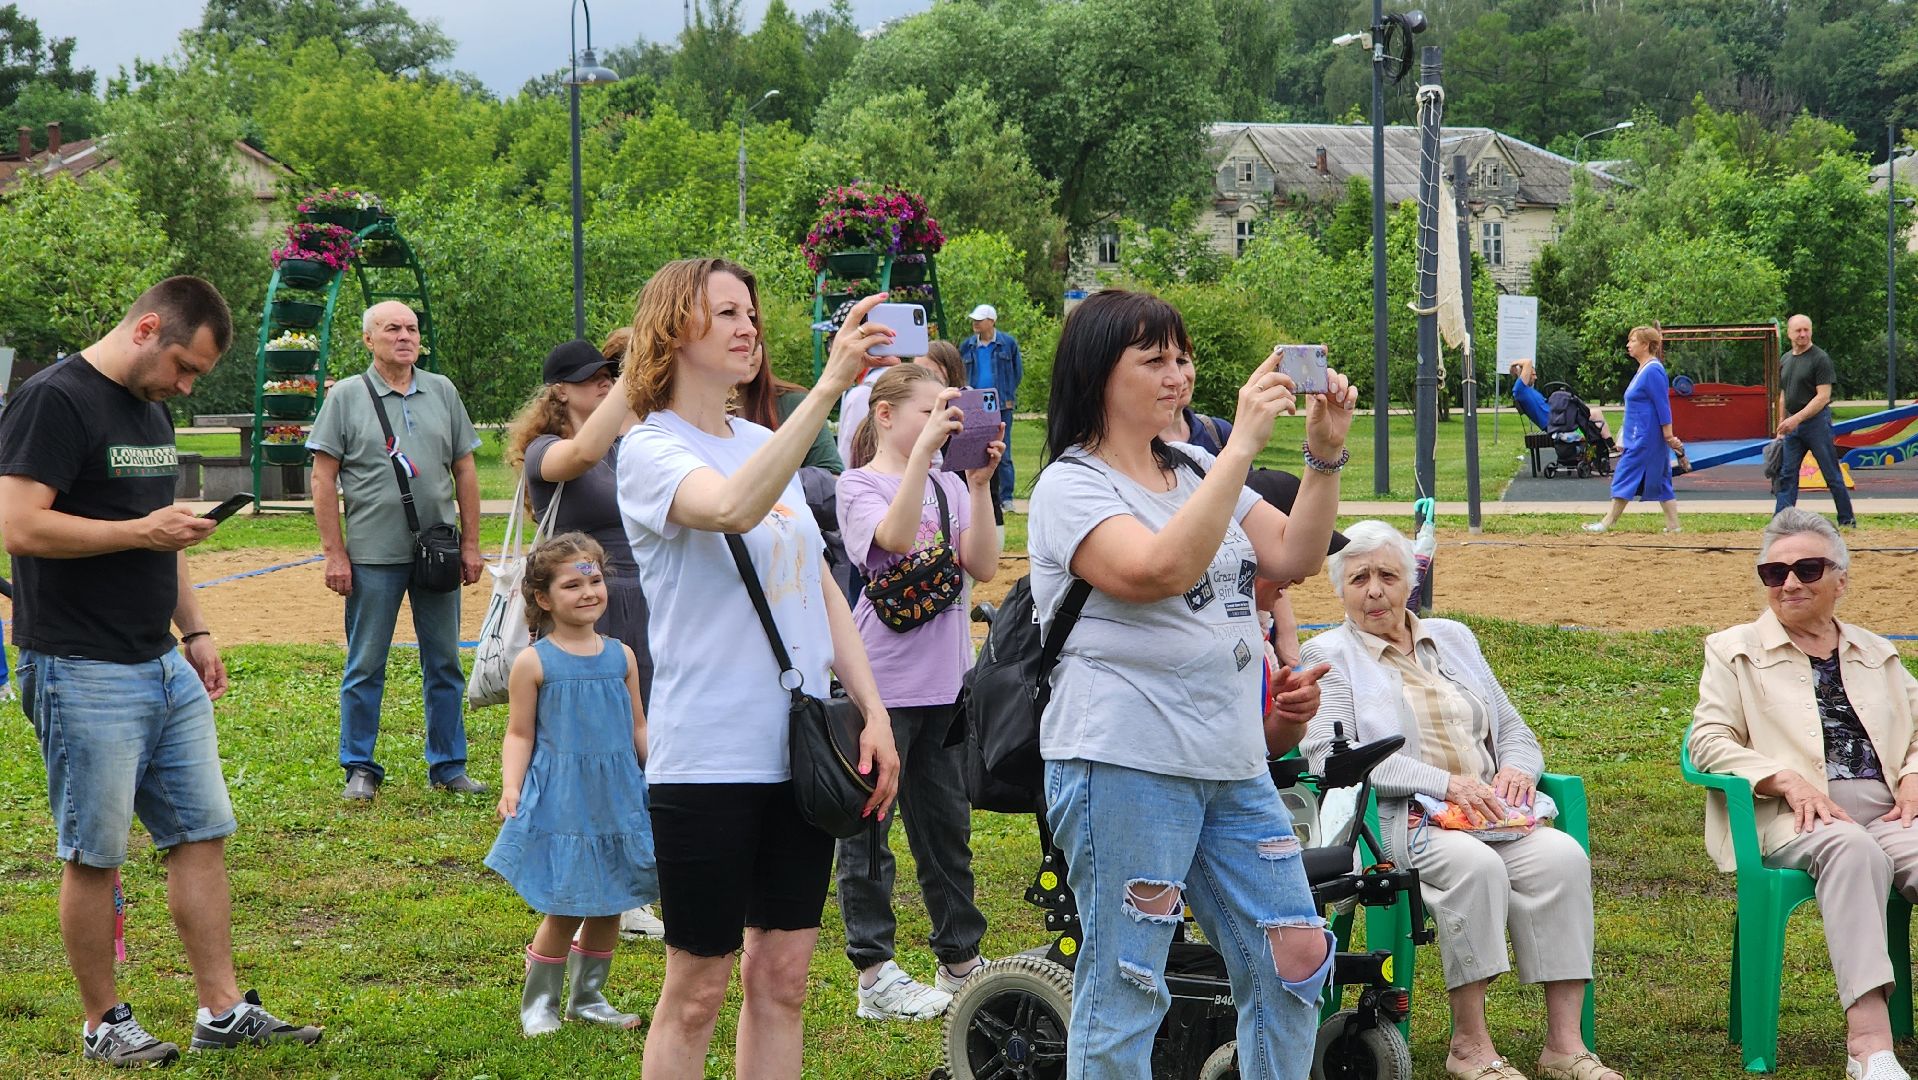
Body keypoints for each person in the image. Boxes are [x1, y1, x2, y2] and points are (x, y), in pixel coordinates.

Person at [1027, 288, 1352, 1079]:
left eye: (1183, 357)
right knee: (1129, 983)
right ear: (1099, 374)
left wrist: (1323, 456)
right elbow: (1156, 569)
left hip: (1230, 761)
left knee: (1295, 954)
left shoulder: (1196, 467)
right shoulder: (1071, 487)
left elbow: (1294, 556)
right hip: (1125, 761)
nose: (1178, 375)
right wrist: (1243, 445)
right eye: (1155, 359)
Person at [0, 276, 322, 1066]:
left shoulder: (151, 409)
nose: (184, 387)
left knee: (201, 835)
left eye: (195, 377)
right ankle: (103, 1022)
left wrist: (196, 629)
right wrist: (139, 531)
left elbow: (168, 534)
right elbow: (19, 524)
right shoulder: (54, 400)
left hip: (161, 663)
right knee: (95, 852)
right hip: (80, 666)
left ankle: (222, 1010)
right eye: (184, 368)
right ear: (147, 328)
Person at [616, 258, 900, 1080]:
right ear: (674, 329)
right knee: (696, 991)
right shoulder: (649, 448)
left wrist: (873, 711)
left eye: (751, 313)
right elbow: (730, 507)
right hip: (707, 757)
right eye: (726, 313)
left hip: (799, 753)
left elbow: (820, 585)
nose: (748, 328)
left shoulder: (759, 442)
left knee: (783, 980)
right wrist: (830, 387)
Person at [1302, 520, 1621, 1080]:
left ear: (1410, 582)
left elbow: (1512, 728)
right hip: (1406, 820)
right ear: (1340, 590)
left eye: (1387, 576)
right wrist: (1445, 784)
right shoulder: (1328, 653)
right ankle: (1470, 1046)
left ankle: (1564, 1046)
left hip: (1491, 814)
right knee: (1477, 869)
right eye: (1358, 579)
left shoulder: (1453, 638)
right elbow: (1332, 756)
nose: (1374, 590)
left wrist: (1518, 767)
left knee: (1563, 859)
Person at [1689, 508, 1918, 1080]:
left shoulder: (1877, 652)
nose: (1789, 583)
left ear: (1841, 579)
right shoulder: (1733, 650)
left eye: (1807, 569)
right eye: (1774, 572)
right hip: (1794, 816)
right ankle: (1869, 1045)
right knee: (1852, 850)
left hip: (1890, 809)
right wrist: (1784, 779)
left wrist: (1914, 774)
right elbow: (1708, 740)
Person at [834, 364, 1003, 1020]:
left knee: (945, 829)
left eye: (949, 410)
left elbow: (982, 564)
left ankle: (959, 959)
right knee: (869, 834)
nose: (946, 420)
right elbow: (895, 540)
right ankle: (874, 973)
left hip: (944, 685)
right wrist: (926, 456)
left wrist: (979, 487)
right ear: (884, 415)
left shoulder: (948, 484)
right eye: (931, 410)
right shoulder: (858, 484)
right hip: (879, 688)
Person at [504, 331, 665, 941]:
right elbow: (579, 455)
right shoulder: (546, 450)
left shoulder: (626, 443)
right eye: (593, 377)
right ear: (559, 392)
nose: (606, 382)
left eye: (611, 374)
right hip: (592, 606)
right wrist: (631, 375)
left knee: (644, 725)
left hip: (647, 594)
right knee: (599, 741)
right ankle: (605, 887)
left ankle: (630, 872)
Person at [309, 301, 487, 801]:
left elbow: (465, 470)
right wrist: (334, 554)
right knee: (366, 663)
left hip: (438, 551)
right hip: (372, 555)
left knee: (445, 662)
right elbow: (322, 478)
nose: (405, 336)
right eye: (392, 329)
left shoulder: (442, 390)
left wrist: (471, 544)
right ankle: (360, 767)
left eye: (411, 328)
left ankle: (449, 766)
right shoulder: (346, 396)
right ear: (369, 340)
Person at [486, 533, 658, 1037]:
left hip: (618, 797)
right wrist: (511, 786)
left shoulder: (622, 656)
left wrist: (658, 771)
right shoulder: (535, 662)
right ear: (543, 598)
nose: (588, 592)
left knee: (613, 900)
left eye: (595, 580)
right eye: (572, 585)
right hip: (565, 799)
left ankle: (588, 997)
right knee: (565, 904)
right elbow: (519, 733)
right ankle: (539, 1002)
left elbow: (639, 725)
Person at [1583, 326, 1682, 534]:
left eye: (1633, 341)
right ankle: (1674, 526)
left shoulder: (1653, 370)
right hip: (1638, 434)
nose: (1628, 345)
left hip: (1645, 437)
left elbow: (1663, 405)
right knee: (1661, 478)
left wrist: (1668, 434)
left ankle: (1607, 522)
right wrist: (1623, 435)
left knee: (1624, 474)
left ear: (1645, 345)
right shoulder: (1643, 369)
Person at [1774, 314, 1857, 526]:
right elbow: (1783, 394)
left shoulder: (1820, 359)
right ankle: (1781, 522)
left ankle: (1847, 520)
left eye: (1806, 330)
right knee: (1787, 475)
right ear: (1789, 333)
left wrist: (1796, 419)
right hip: (1793, 425)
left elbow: (1823, 397)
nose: (1803, 334)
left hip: (1816, 424)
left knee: (1831, 474)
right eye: (1798, 330)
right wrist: (1782, 423)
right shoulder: (1785, 359)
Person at [738, 338, 844, 473]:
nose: (748, 353)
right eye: (736, 347)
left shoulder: (794, 403)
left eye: (755, 342)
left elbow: (832, 473)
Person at [959, 303, 1023, 509]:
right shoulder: (967, 346)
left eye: (979, 320)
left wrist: (1007, 393)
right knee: (973, 448)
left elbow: (1017, 372)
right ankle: (973, 491)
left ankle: (1006, 497)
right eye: (974, 320)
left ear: (992, 321)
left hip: (1001, 404)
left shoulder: (1007, 344)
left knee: (1003, 449)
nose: (975, 323)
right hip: (974, 404)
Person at [1157, 352, 1233, 454]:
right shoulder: (1138, 446)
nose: (1180, 380)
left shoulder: (1220, 432)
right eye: (1156, 363)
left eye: (1182, 361)